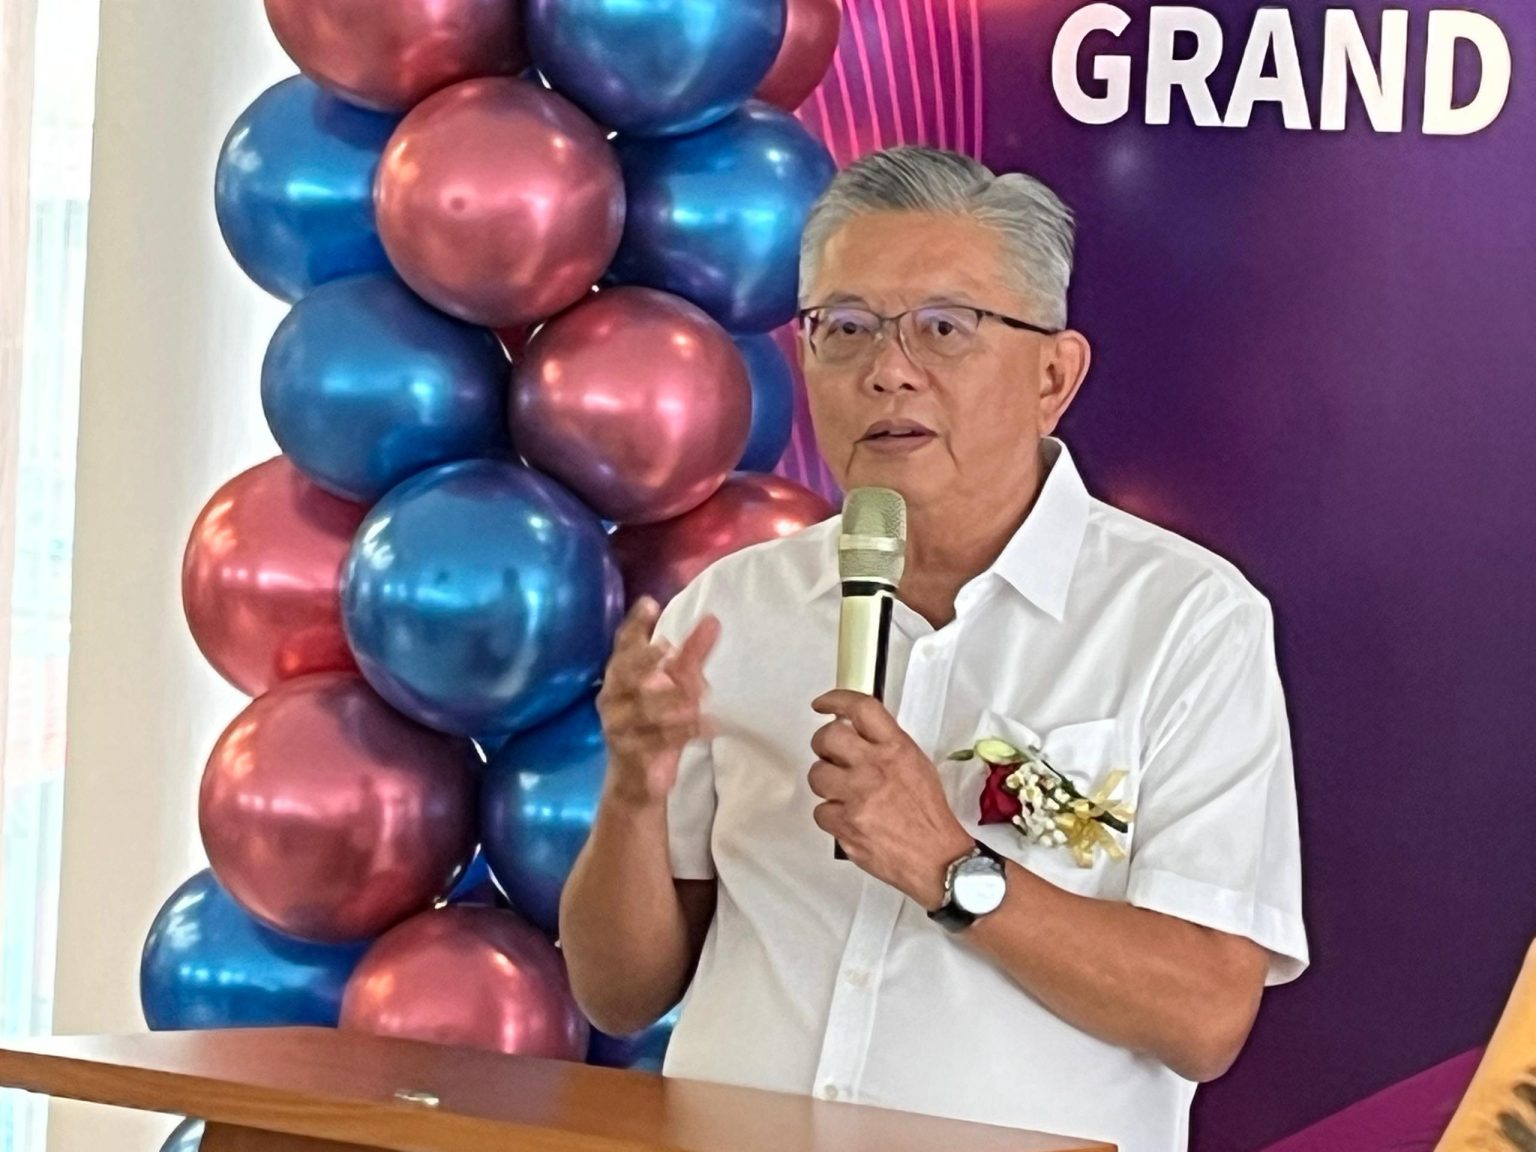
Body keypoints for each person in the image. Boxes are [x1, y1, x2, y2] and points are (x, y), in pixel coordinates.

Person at [559, 145, 1308, 1152]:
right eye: (844, 328)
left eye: (944, 328)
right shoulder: (732, 608)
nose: (887, 370)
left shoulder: (1183, 621)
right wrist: (633, 798)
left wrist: (950, 868)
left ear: (1053, 374)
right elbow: (616, 994)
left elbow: (1204, 1013)